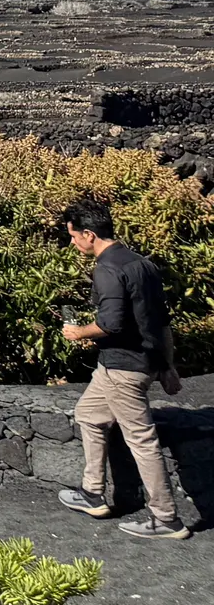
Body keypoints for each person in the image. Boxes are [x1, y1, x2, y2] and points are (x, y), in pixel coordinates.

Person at [55, 199, 190, 539]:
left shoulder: (107, 269)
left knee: (142, 440)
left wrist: (78, 332)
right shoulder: (143, 264)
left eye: (73, 237)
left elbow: (111, 324)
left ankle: (166, 519)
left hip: (122, 368)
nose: (73, 243)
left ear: (89, 235)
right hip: (131, 365)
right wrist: (168, 366)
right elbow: (161, 323)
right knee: (88, 414)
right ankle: (92, 494)